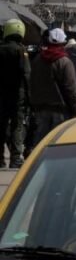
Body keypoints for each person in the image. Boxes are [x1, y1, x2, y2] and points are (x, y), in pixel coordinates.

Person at [29, 28, 76, 146]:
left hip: (40, 107)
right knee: (58, 142)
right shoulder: (64, 61)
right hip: (60, 109)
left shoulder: (37, 59)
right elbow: (71, 89)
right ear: (63, 43)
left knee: (40, 141)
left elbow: (32, 82)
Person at [0, 19, 30, 168]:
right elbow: (26, 74)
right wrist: (30, 97)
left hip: (1, 95)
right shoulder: (21, 50)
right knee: (17, 126)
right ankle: (16, 158)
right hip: (18, 95)